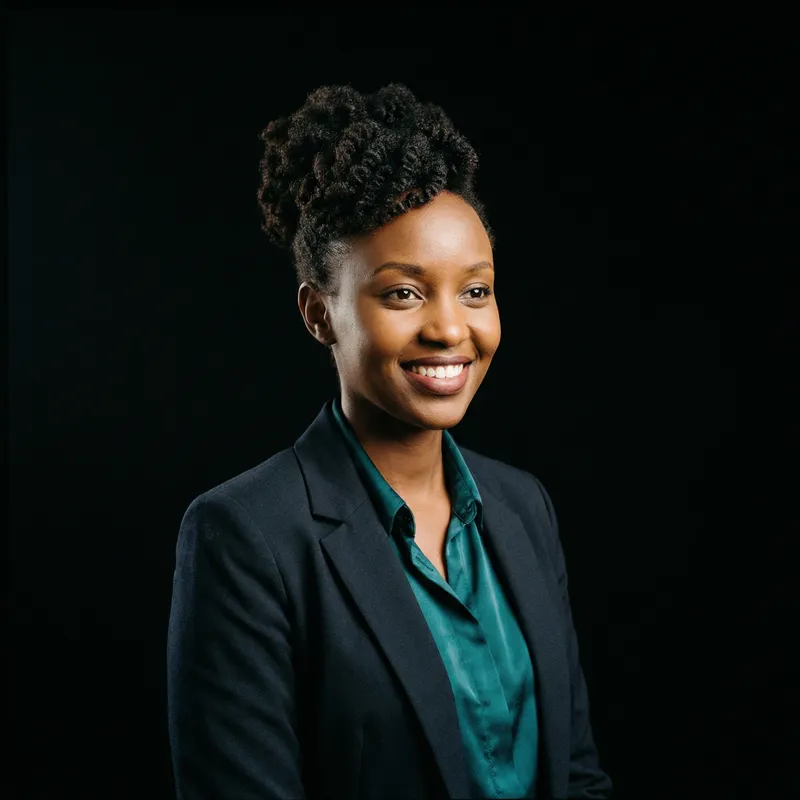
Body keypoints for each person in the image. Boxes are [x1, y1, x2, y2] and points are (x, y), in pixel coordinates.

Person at [167, 83, 612, 800]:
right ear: (319, 314)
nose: (449, 328)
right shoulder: (246, 536)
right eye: (403, 293)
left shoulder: (523, 507)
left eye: (475, 290)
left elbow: (577, 774)